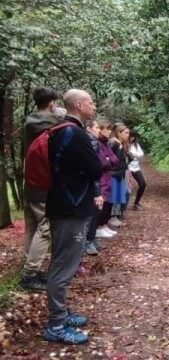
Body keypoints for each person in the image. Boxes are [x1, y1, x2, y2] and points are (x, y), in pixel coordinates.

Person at [43, 89, 103, 345]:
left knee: (63, 262)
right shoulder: (74, 132)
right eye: (91, 102)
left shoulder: (61, 129)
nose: (94, 106)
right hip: (70, 208)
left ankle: (62, 314)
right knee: (63, 266)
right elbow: (96, 169)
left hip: (64, 204)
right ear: (79, 105)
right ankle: (56, 325)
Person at [21, 87, 60, 291]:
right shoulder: (52, 122)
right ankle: (30, 274)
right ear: (52, 102)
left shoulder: (30, 120)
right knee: (45, 228)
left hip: (29, 182)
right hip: (42, 183)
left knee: (32, 227)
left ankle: (28, 267)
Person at [94, 120, 120, 239]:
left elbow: (115, 160)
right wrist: (108, 160)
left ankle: (103, 225)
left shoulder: (106, 143)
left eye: (110, 129)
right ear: (100, 129)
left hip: (108, 177)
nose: (109, 131)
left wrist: (109, 159)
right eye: (107, 129)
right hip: (101, 178)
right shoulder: (97, 143)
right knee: (102, 204)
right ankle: (99, 227)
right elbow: (102, 162)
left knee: (107, 203)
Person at [83, 121, 105, 256]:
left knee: (95, 212)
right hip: (92, 184)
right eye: (96, 128)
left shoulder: (95, 141)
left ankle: (91, 239)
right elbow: (94, 168)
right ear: (89, 129)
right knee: (93, 212)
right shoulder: (91, 142)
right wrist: (97, 192)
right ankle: (88, 241)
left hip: (94, 182)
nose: (99, 130)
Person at [108, 124, 130, 227]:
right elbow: (109, 159)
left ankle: (115, 217)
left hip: (119, 174)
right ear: (119, 133)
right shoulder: (114, 144)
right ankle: (111, 218)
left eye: (128, 133)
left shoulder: (121, 144)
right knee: (113, 197)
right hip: (114, 174)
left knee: (119, 196)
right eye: (126, 133)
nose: (128, 135)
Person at [128, 132, 147, 210]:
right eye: (130, 136)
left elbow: (141, 154)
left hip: (136, 168)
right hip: (128, 168)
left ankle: (136, 203)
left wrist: (133, 154)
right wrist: (135, 155)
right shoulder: (125, 144)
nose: (131, 138)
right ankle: (123, 205)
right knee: (127, 188)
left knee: (143, 184)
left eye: (133, 137)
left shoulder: (136, 145)